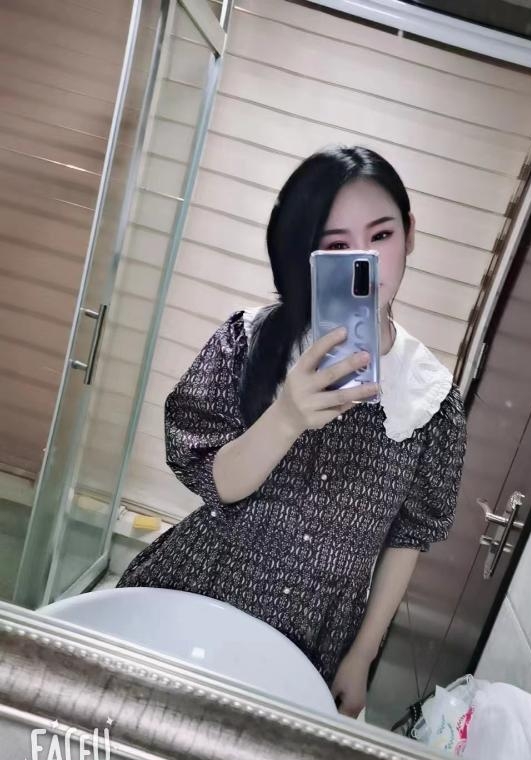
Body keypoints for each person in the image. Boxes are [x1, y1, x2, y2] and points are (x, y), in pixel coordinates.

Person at [117, 146, 467, 718]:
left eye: (381, 235)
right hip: (205, 588)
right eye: (337, 247)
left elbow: (409, 536)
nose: (365, 262)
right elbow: (214, 481)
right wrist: (285, 417)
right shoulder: (249, 341)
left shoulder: (430, 397)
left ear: (409, 234)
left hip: (317, 633)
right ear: (310, 255)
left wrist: (362, 655)